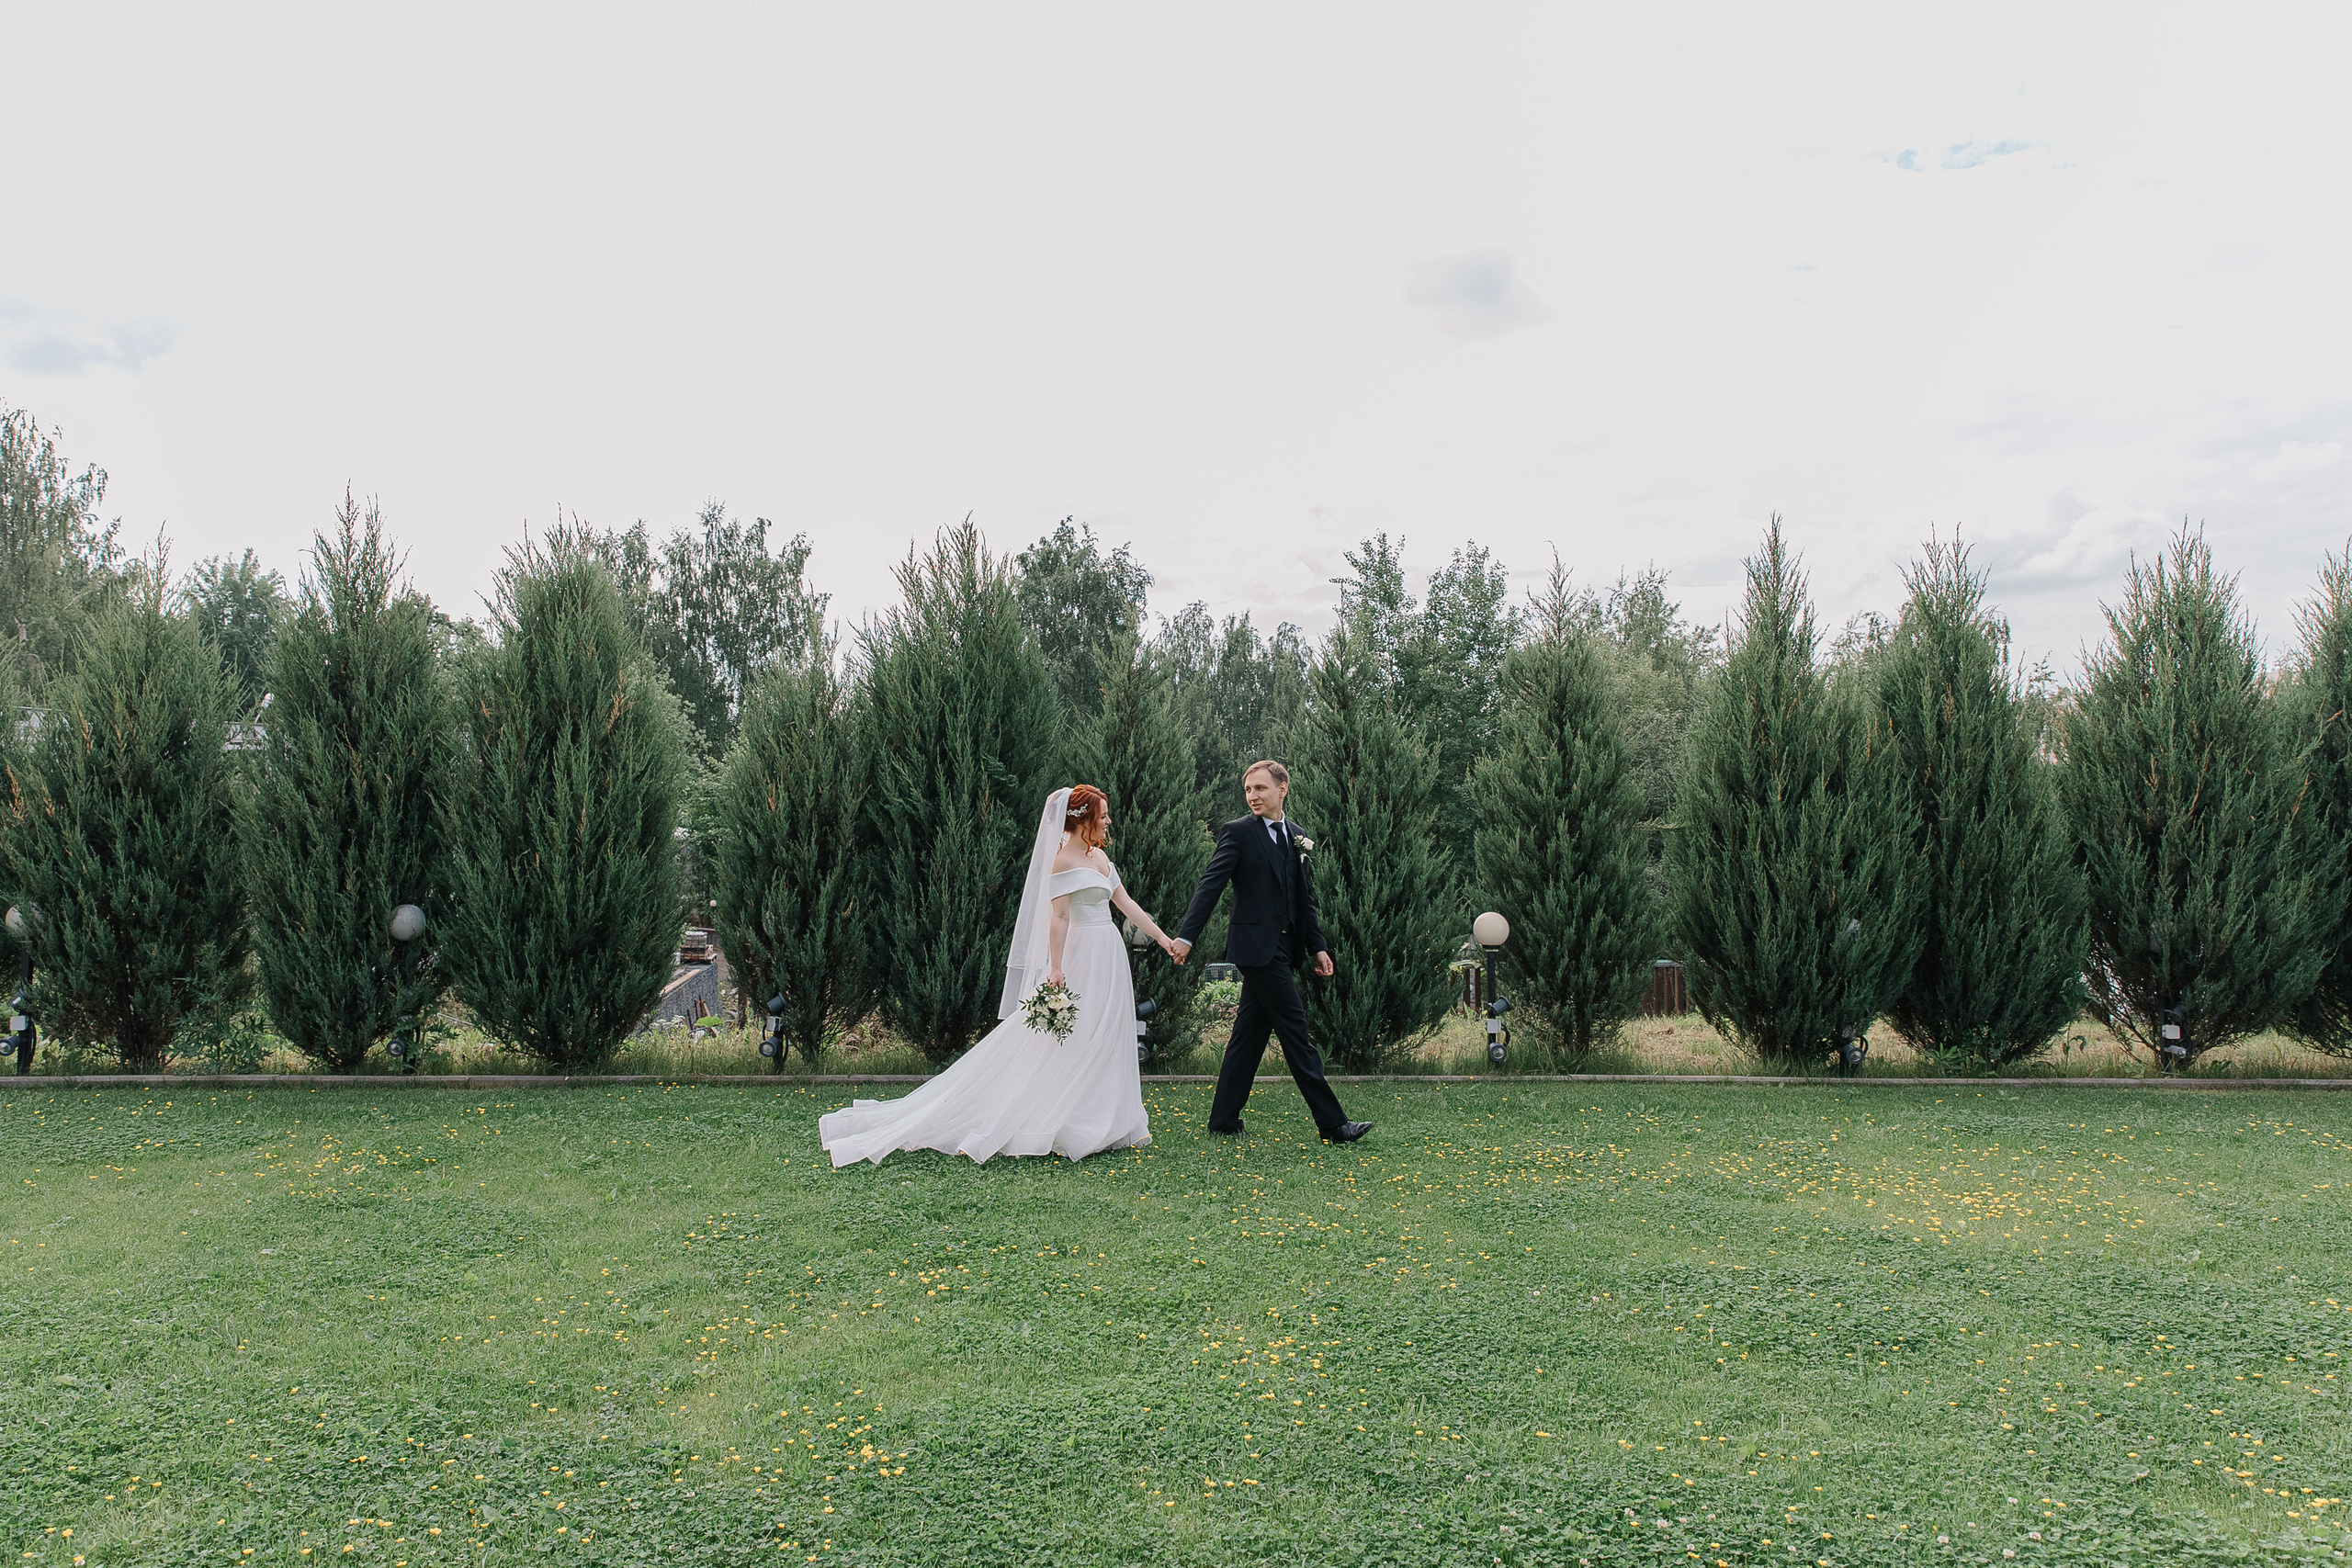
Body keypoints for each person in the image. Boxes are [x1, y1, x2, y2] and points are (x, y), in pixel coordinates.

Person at [820, 785, 1182, 1167]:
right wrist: (1056, 968)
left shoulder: (1102, 860)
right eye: (1103, 815)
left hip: (1109, 952)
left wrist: (1164, 940)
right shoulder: (1062, 862)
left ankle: (1102, 1117)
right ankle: (1068, 1118)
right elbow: (1058, 917)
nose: (1108, 821)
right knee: (1073, 1035)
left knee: (1105, 1031)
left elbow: (1126, 905)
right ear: (1082, 819)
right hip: (1081, 954)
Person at [1170, 761, 1372, 1144]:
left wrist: (1318, 947)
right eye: (1248, 790)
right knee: (1296, 1032)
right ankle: (1333, 1124)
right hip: (1255, 949)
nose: (1253, 796)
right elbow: (1209, 886)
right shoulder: (1238, 833)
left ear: (1282, 789)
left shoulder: (1297, 836)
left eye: (1260, 788)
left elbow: (1304, 900)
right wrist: (1187, 937)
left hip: (1284, 948)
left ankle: (1223, 1120)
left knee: (1248, 1038)